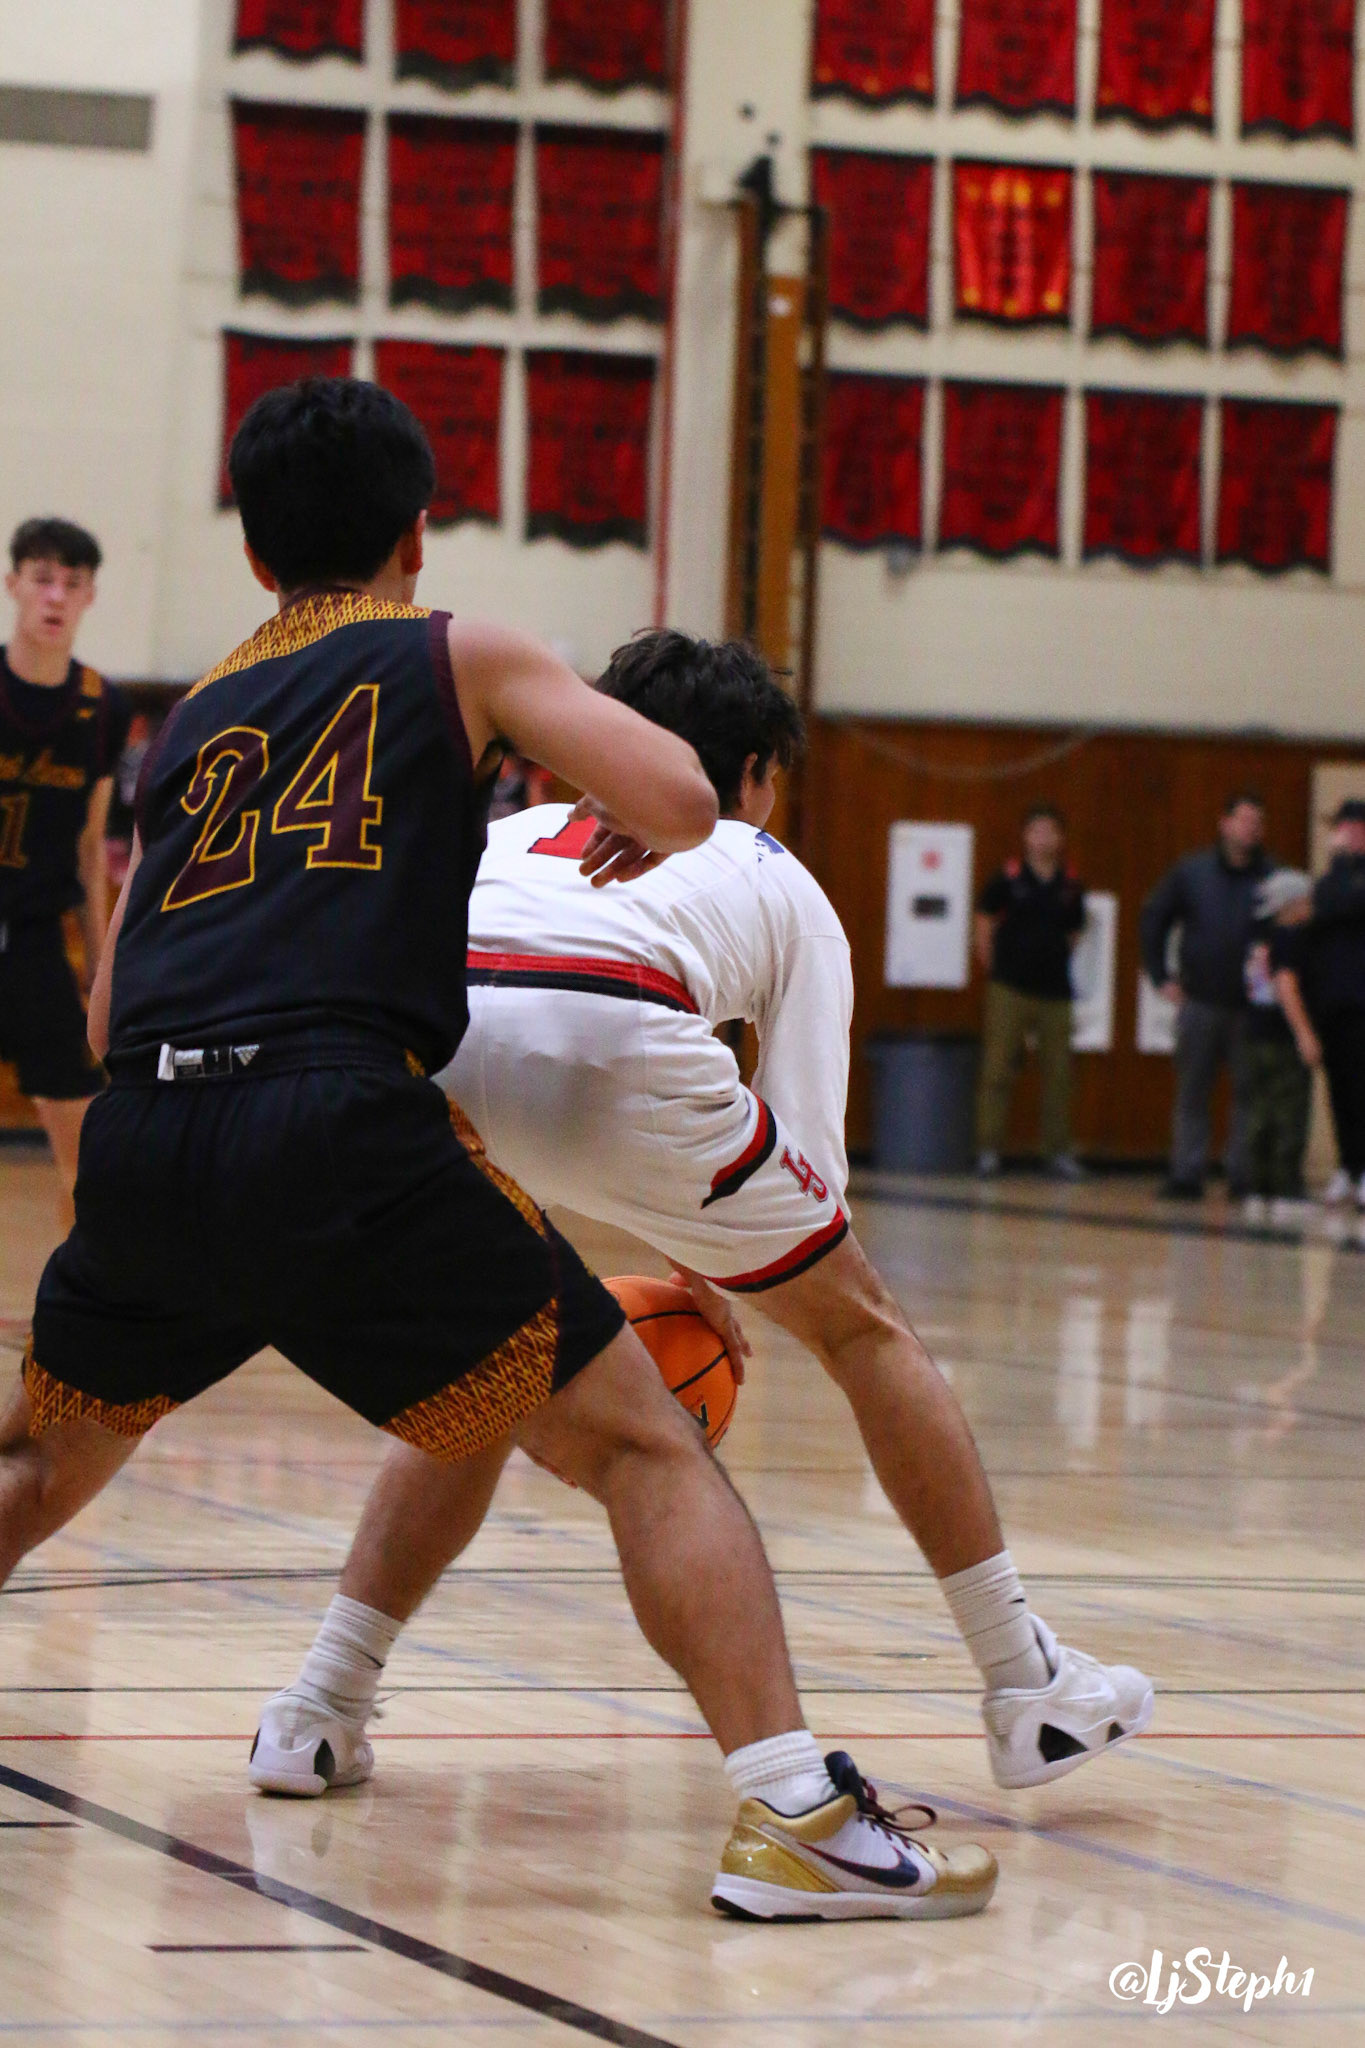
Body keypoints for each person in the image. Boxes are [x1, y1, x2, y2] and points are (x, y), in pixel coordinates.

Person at [0, 380, 997, 1925]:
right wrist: (632, 805)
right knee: (645, 1447)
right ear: (417, 533)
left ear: (255, 557)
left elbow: (112, 999)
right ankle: (799, 1816)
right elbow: (684, 795)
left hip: (150, 1133)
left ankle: (338, 1697)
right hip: (336, 1124)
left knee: (37, 1456)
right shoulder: (454, 650)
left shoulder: (187, 719)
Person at [252, 631, 1152, 1811]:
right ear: (759, 775)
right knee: (863, 1325)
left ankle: (318, 1709)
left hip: (422, 1060)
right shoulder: (768, 864)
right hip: (621, 1029)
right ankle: (1024, 1680)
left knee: (486, 1358)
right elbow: (808, 1165)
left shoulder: (507, 833)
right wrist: (729, 1267)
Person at [1, 518, 128, 1224]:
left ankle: (80, 1289)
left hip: (35, 942)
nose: (55, 596)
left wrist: (101, 963)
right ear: (13, 585)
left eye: (71, 583)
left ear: (90, 597)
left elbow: (89, 846)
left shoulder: (101, 707)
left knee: (86, 1159)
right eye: (42, 579)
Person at [1140, 794, 1271, 1199]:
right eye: (1244, 819)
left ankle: (1243, 1175)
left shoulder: (1272, 876)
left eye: (1257, 822)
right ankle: (1186, 1173)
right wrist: (1160, 975)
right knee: (1193, 1091)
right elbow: (1154, 916)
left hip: (1251, 1005)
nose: (1250, 828)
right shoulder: (1192, 872)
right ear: (1224, 823)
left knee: (1249, 1094)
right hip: (1199, 1000)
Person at [973, 807, 1087, 1180]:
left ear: (1060, 838)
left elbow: (1075, 931)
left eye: (1050, 831)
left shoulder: (1070, 884)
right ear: (1025, 837)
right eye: (1036, 831)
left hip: (1056, 992)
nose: (1043, 838)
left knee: (1059, 1075)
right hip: (1010, 987)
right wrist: (993, 962)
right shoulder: (1008, 878)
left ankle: (1057, 1152)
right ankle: (988, 1150)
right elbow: (984, 919)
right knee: (998, 1069)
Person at [1240, 870, 1317, 1223]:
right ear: (1292, 905)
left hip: (1255, 1034)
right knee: (1289, 1114)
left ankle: (1258, 1189)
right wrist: (1304, 1033)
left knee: (1260, 1113)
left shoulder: (1257, 938)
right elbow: (1286, 985)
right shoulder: (1290, 938)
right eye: (1306, 900)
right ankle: (1286, 1191)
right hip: (1282, 1039)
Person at [1303, 800, 1365, 1210]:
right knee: (1340, 1088)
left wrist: (1343, 862)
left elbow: (1351, 904)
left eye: (1347, 829)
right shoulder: (1330, 880)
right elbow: (1326, 904)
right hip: (1334, 1003)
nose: (1340, 837)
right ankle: (1348, 1165)